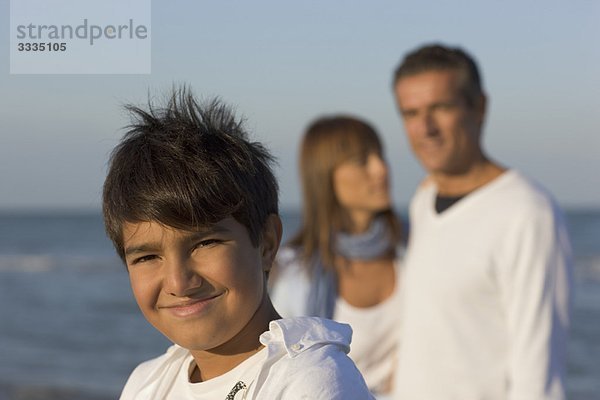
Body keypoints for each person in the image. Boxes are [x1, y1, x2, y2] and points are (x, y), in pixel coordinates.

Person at [102, 88, 374, 400]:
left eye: (205, 243)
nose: (179, 282)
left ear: (267, 243)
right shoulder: (148, 383)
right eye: (148, 257)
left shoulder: (311, 380)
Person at [391, 44, 573, 399]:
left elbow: (539, 374)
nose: (424, 128)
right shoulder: (423, 200)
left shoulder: (527, 213)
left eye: (440, 108)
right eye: (410, 113)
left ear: (480, 107)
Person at [269, 115, 404, 398]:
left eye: (380, 156)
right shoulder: (293, 273)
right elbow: (283, 371)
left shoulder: (412, 251)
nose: (381, 169)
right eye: (361, 161)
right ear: (326, 175)